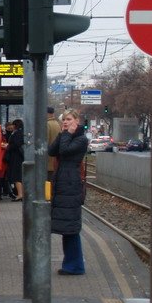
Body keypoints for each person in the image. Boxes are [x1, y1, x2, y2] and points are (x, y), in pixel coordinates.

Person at [49, 109, 89, 275]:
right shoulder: (67, 136)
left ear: (77, 121)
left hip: (70, 185)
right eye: (64, 119)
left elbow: (65, 151)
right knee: (67, 228)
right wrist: (62, 134)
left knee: (71, 227)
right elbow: (52, 151)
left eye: (69, 119)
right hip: (64, 184)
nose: (65, 122)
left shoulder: (81, 139)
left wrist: (67, 134)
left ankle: (75, 265)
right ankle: (71, 264)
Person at [4, 119, 25, 201]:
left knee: (17, 176)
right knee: (18, 176)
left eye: (13, 124)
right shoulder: (20, 132)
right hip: (17, 156)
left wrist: (8, 146)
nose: (11, 126)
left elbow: (16, 144)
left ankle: (20, 194)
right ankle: (21, 194)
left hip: (16, 157)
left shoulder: (17, 133)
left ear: (16, 125)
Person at [46, 106, 61, 181]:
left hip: (48, 161)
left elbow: (45, 142)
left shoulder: (47, 124)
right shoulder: (57, 124)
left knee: (48, 184)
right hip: (55, 160)